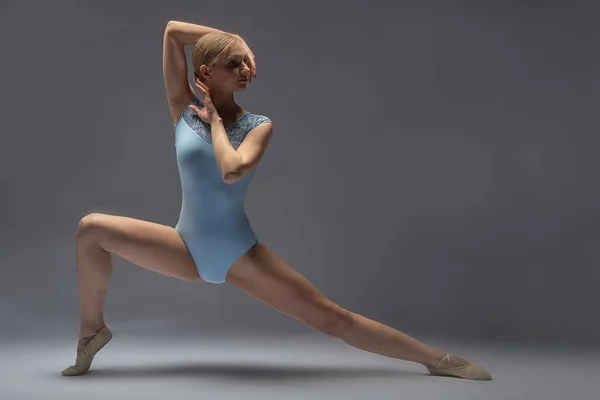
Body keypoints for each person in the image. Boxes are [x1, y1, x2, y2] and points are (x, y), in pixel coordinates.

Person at [61, 20, 492, 381]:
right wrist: (234, 35)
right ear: (207, 73)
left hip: (237, 252)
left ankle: (437, 360)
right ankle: (92, 331)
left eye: (248, 61)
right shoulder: (182, 109)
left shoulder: (257, 125)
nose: (248, 68)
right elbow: (174, 32)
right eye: (235, 63)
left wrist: (214, 122)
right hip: (184, 247)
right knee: (91, 229)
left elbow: (231, 169)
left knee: (333, 318)